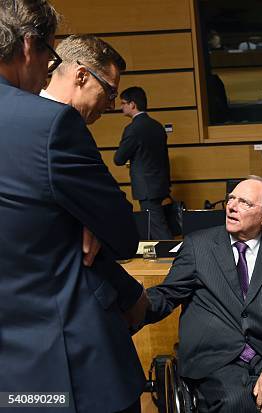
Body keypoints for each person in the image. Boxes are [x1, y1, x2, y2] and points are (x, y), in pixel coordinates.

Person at [0, 2, 145, 412]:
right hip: (66, 361)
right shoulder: (48, 123)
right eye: (49, 53)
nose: (49, 65)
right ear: (29, 44)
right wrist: (92, 220)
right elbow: (124, 236)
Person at [145, 176, 262, 413]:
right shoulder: (198, 246)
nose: (231, 206)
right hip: (215, 357)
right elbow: (167, 294)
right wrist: (133, 305)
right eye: (231, 198)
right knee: (237, 400)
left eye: (244, 202)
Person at [42, 33, 150, 327]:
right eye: (110, 92)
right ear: (81, 76)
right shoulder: (63, 125)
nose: (112, 105)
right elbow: (124, 233)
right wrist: (93, 221)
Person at [114, 86, 173, 240]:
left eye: (123, 103)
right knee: (158, 223)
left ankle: (172, 259)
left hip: (146, 186)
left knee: (158, 227)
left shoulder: (133, 129)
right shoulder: (157, 126)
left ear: (132, 104)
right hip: (161, 183)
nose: (121, 107)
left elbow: (119, 159)